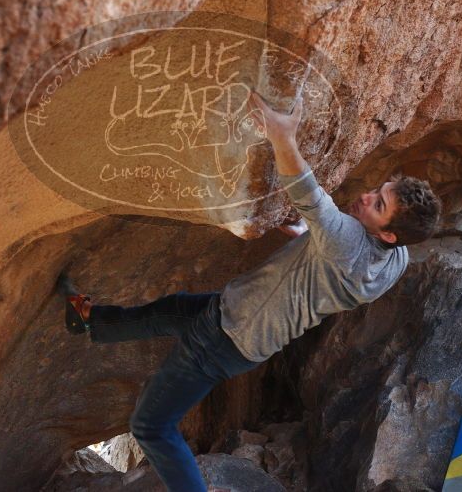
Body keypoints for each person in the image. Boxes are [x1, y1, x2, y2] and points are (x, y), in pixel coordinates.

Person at [57, 91, 442, 492]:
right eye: (378, 190)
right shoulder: (395, 260)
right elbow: (333, 258)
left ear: (389, 233)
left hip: (227, 334)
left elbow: (308, 194)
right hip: (244, 327)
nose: (366, 197)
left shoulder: (347, 243)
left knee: (151, 426)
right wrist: (308, 235)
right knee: (172, 311)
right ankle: (90, 321)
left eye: (378, 205)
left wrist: (282, 137)